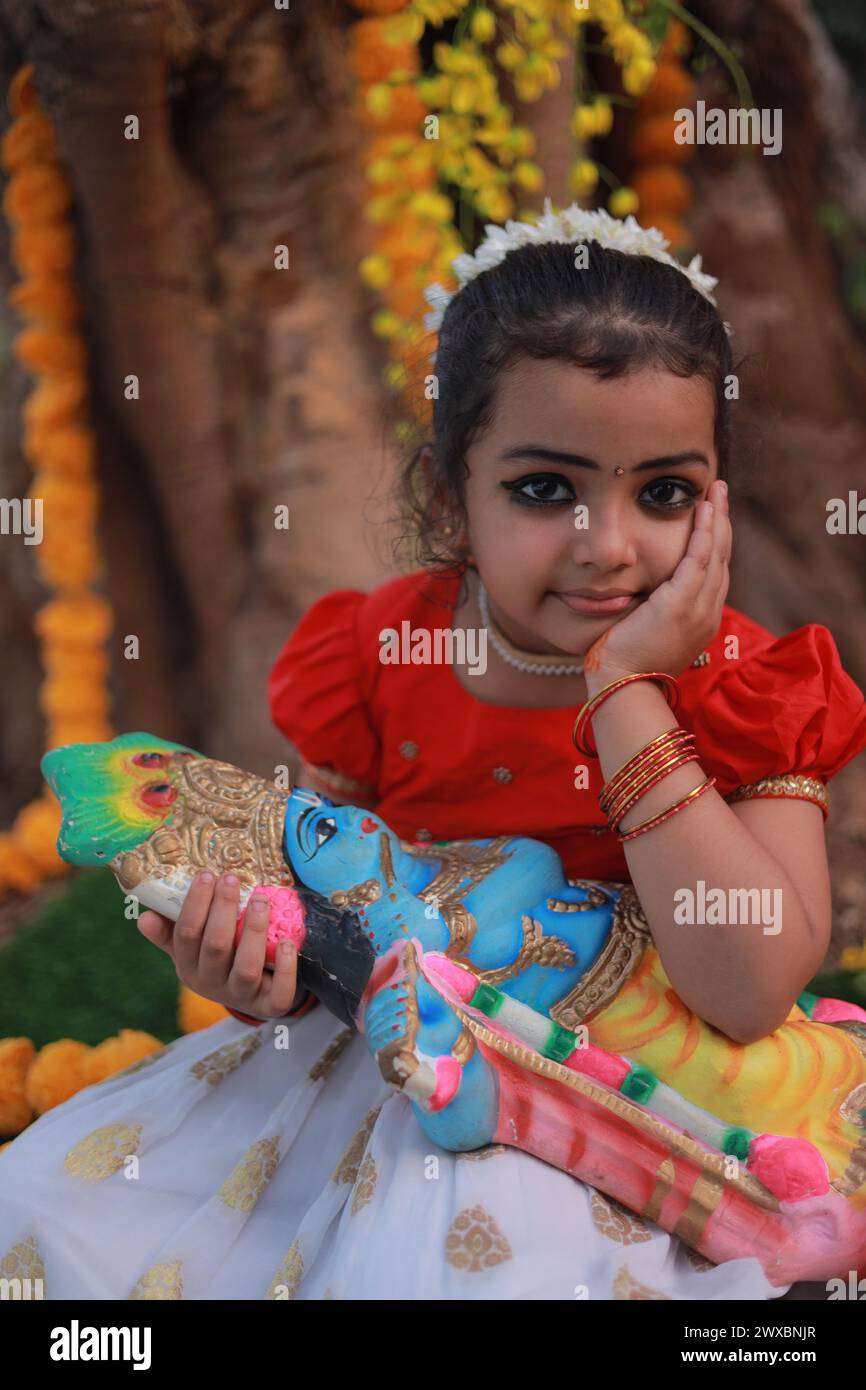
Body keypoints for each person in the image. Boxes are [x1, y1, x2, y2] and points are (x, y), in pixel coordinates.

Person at [2, 205, 866, 1301]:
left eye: (662, 492)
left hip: (639, 1100)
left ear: (717, 502)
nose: (606, 545)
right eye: (544, 489)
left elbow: (744, 990)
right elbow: (337, 903)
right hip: (391, 1067)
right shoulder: (374, 657)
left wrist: (623, 694)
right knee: (55, 1216)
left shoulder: (751, 684)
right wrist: (251, 976)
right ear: (448, 496)